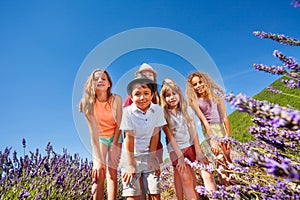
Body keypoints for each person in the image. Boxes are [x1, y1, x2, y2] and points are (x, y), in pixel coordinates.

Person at [160, 80, 217, 200]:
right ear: (164, 99)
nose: (171, 97)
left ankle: (214, 197)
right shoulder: (164, 116)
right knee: (187, 180)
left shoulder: (187, 110)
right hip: (176, 151)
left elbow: (193, 131)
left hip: (191, 146)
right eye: (168, 95)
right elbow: (170, 137)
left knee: (207, 173)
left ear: (179, 94)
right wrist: (180, 157)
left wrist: (198, 151)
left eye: (174, 94)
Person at [120, 73, 167, 200]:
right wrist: (130, 165)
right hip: (130, 155)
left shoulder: (157, 110)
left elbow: (155, 135)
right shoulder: (127, 112)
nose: (142, 97)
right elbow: (129, 138)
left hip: (148, 154)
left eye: (146, 93)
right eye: (137, 94)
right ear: (131, 96)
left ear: (152, 95)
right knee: (132, 193)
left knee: (154, 190)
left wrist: (152, 158)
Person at [79, 69, 122, 200]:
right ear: (91, 84)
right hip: (100, 139)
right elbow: (93, 132)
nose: (100, 81)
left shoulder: (116, 99)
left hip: (116, 135)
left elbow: (120, 124)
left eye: (103, 78)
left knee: (112, 172)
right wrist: (97, 160)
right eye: (96, 79)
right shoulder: (87, 104)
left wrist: (115, 144)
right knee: (98, 172)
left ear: (109, 83)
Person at [186, 72, 232, 186]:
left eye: (200, 82)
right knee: (220, 160)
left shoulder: (216, 95)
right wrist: (212, 140)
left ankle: (235, 186)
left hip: (221, 128)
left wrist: (228, 136)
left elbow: (224, 117)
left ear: (206, 81)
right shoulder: (195, 102)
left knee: (228, 160)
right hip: (209, 130)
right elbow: (204, 122)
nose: (198, 86)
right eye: (195, 84)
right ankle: (227, 189)